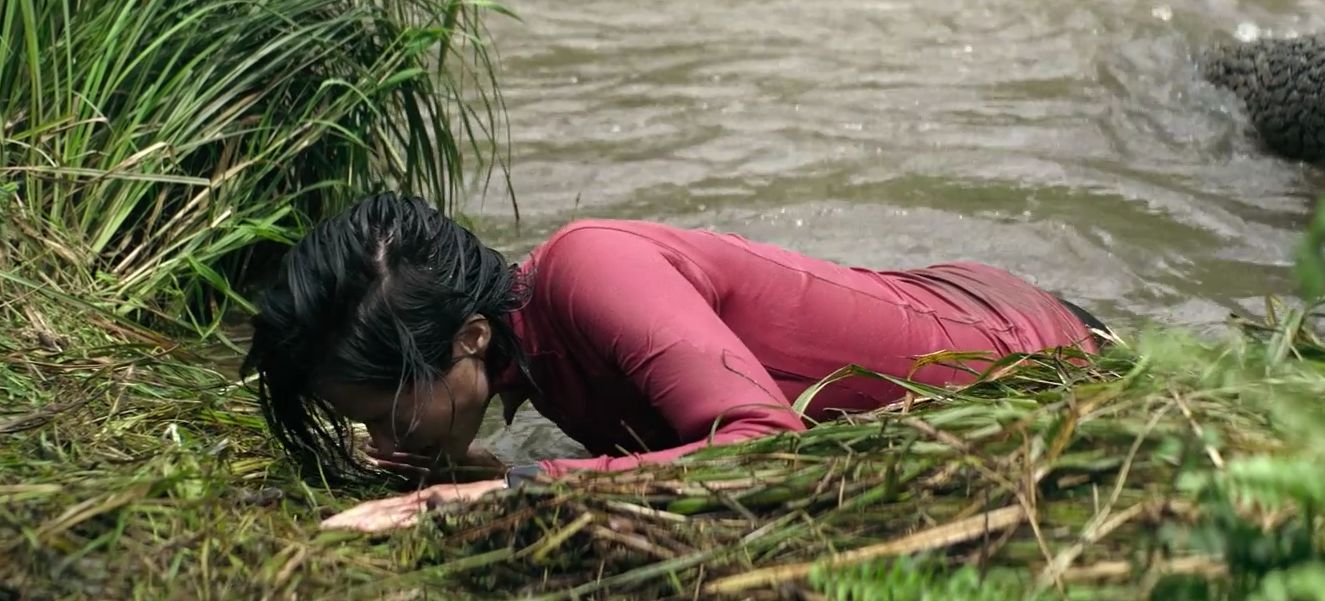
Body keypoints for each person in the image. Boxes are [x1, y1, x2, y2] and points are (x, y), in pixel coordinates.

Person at [241, 193, 1110, 532]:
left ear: (470, 339)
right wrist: (474, 458)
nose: (380, 438)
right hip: (951, 300)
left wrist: (475, 493)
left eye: (390, 412)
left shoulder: (589, 268)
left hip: (1038, 355)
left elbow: (764, 438)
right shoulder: (527, 355)